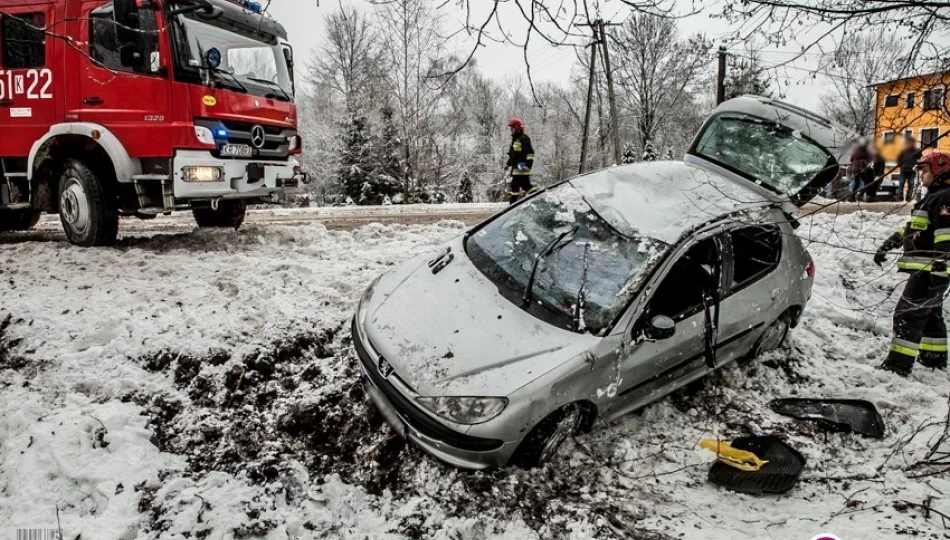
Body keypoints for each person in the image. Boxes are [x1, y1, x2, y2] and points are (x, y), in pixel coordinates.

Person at [874, 151, 950, 376]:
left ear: (939, 170)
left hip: (931, 269)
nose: (921, 176)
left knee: (907, 314)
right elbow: (914, 229)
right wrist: (889, 244)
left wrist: (941, 263)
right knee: (929, 314)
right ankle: (933, 358)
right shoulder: (934, 197)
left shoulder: (945, 198)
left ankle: (897, 367)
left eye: (925, 171)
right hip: (929, 268)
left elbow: (946, 234)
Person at [505, 117, 535, 204]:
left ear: (517, 127)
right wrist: (508, 164)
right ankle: (538, 196)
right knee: (526, 186)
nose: (511, 129)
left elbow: (530, 153)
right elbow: (513, 155)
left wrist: (528, 165)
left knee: (516, 186)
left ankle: (512, 205)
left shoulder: (524, 138)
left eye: (512, 127)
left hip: (522, 169)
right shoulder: (515, 139)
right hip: (516, 169)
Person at [897, 137, 919, 202]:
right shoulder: (903, 151)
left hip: (912, 171)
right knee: (901, 183)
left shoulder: (916, 151)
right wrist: (901, 167)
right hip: (903, 171)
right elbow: (898, 159)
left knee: (911, 184)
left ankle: (908, 198)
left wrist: (917, 166)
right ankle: (899, 198)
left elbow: (921, 158)